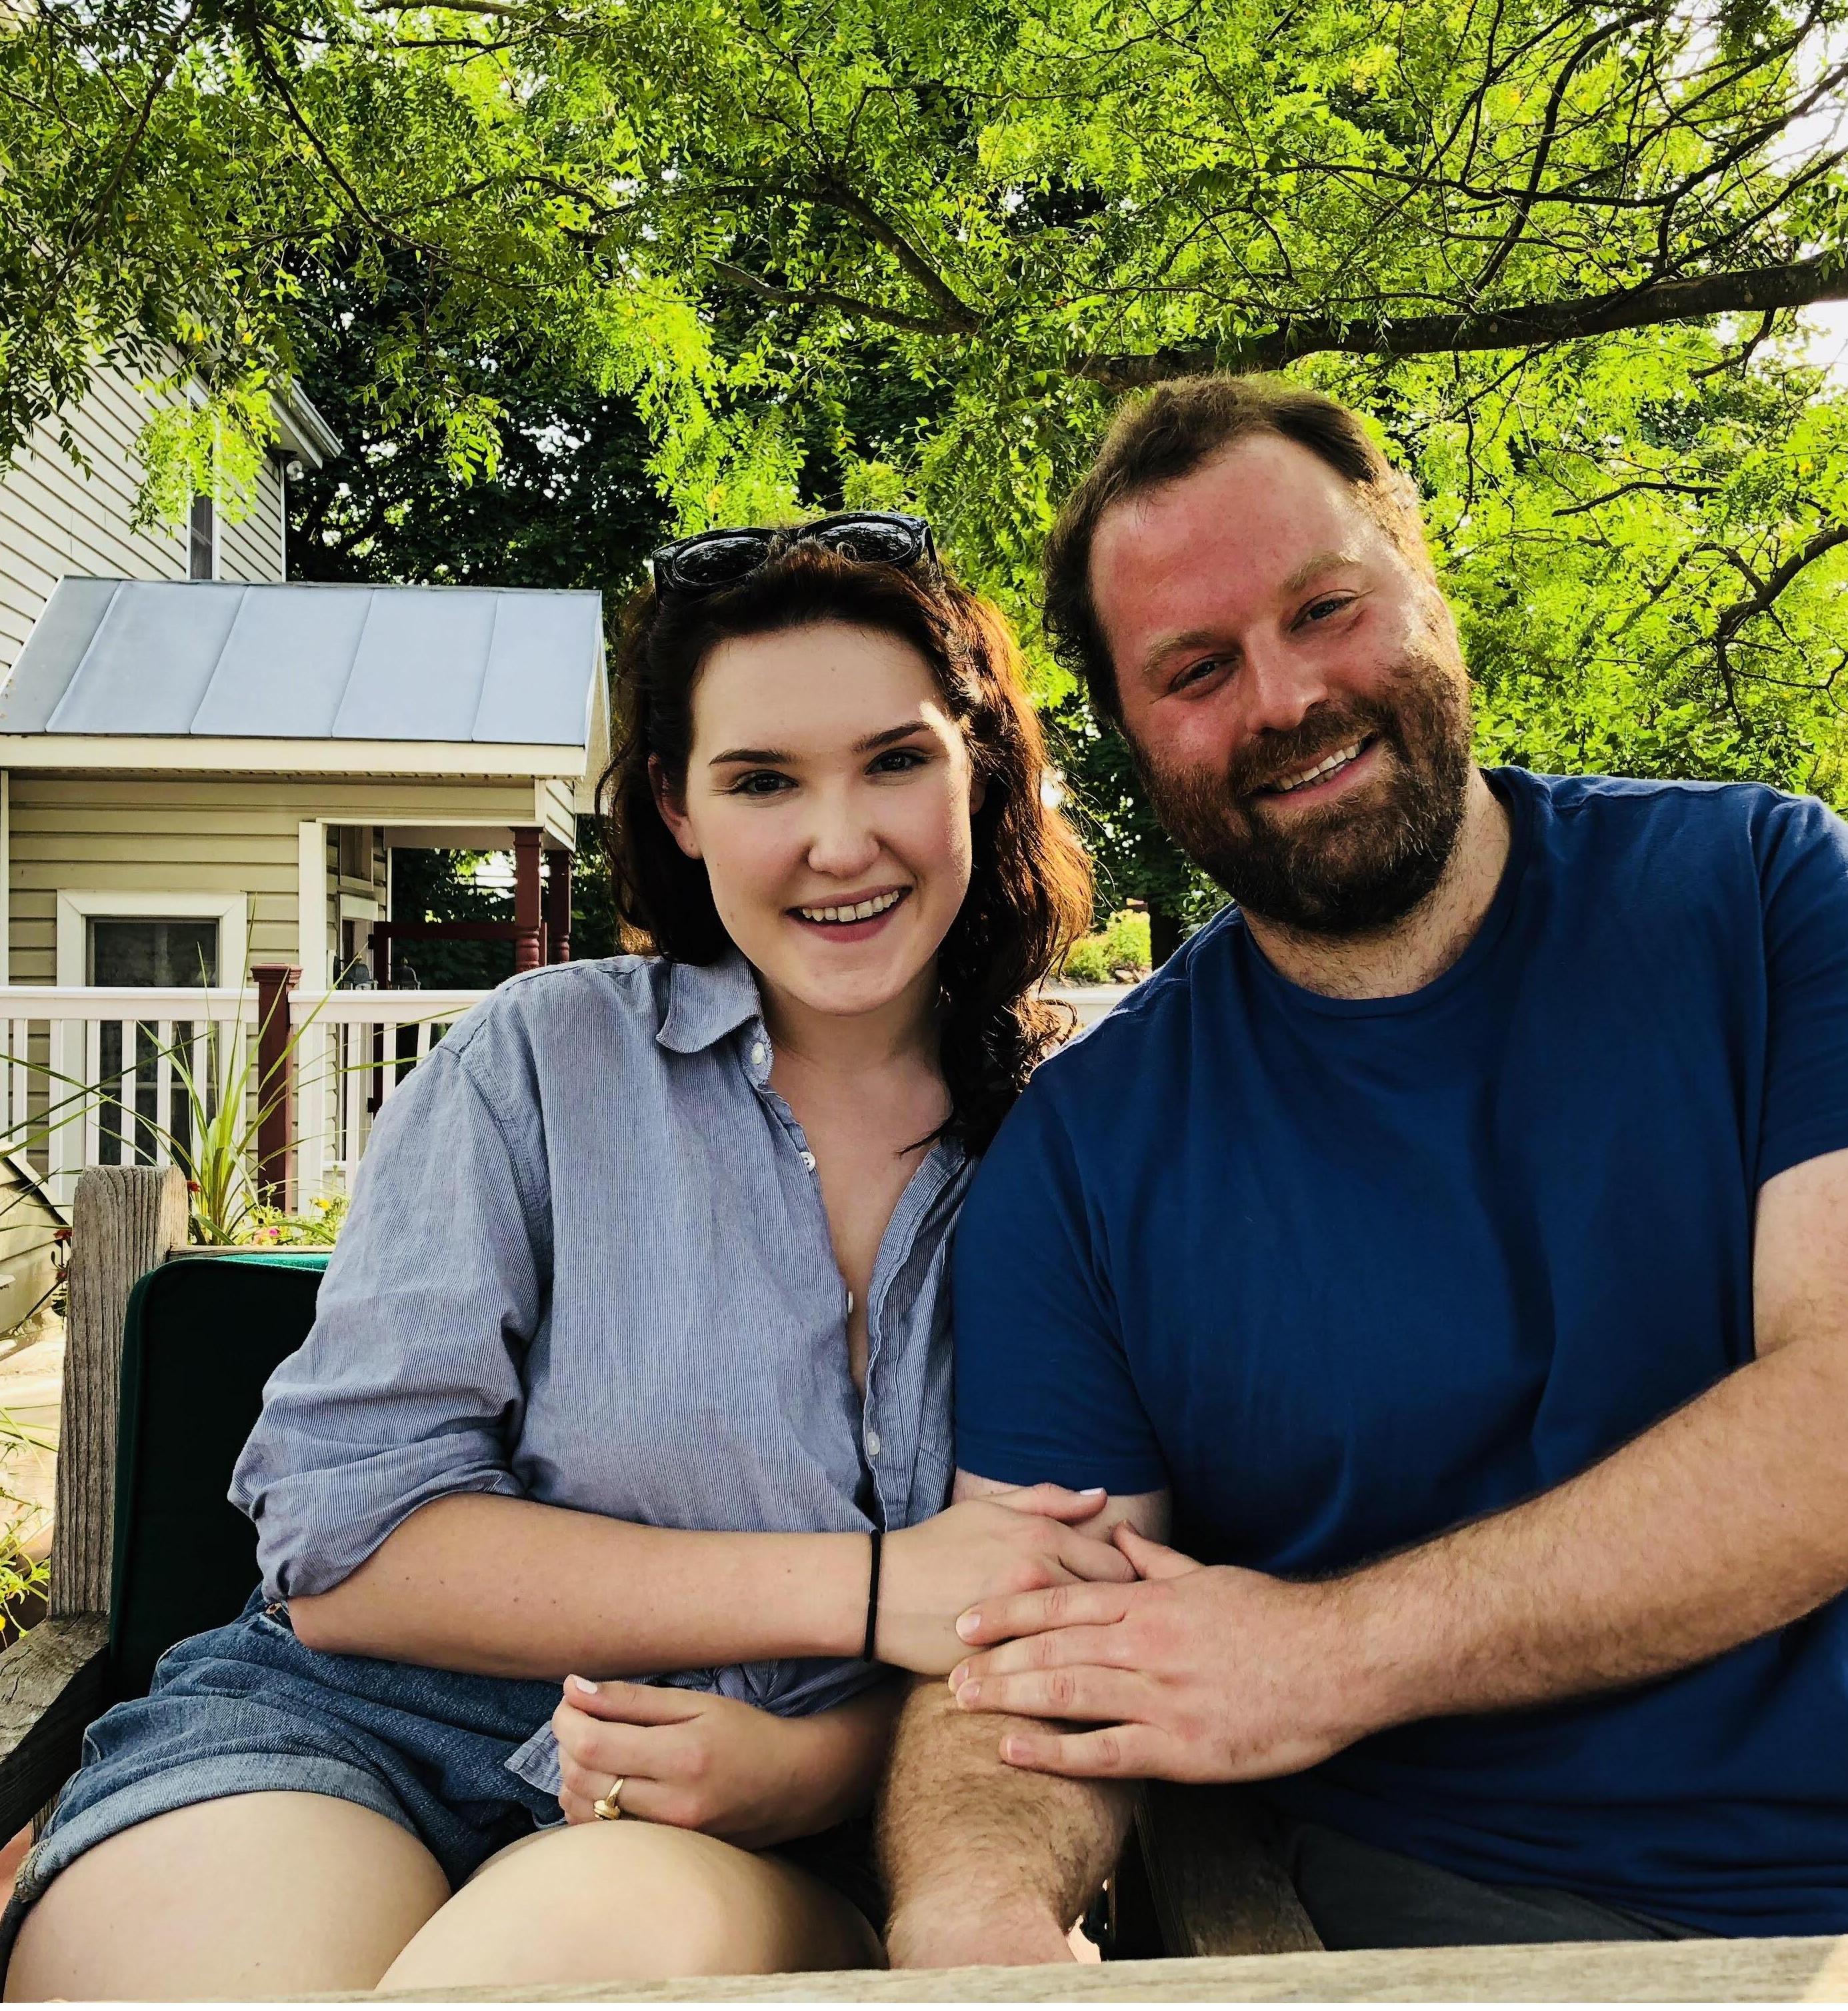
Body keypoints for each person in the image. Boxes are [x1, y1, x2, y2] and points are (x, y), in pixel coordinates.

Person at [877, 379, 1848, 1965]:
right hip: (1470, 1915)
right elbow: (1027, 1643)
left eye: (1324, 608)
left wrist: (1325, 1651)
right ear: (1135, 743)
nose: (1280, 698)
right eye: (1194, 670)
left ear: (1422, 579)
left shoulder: (1761, 892)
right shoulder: (1084, 1156)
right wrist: (972, 1910)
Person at [4, 514, 1113, 1998]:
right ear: (676, 805)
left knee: (551, 1961)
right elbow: (347, 1552)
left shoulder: (1084, 1138)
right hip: (346, 1730)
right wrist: (863, 1588)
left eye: (893, 759)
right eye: (762, 778)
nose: (837, 840)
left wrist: (816, 1765)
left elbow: (1077, 1604)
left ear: (978, 765)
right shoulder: (540, 1062)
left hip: (773, 1826)